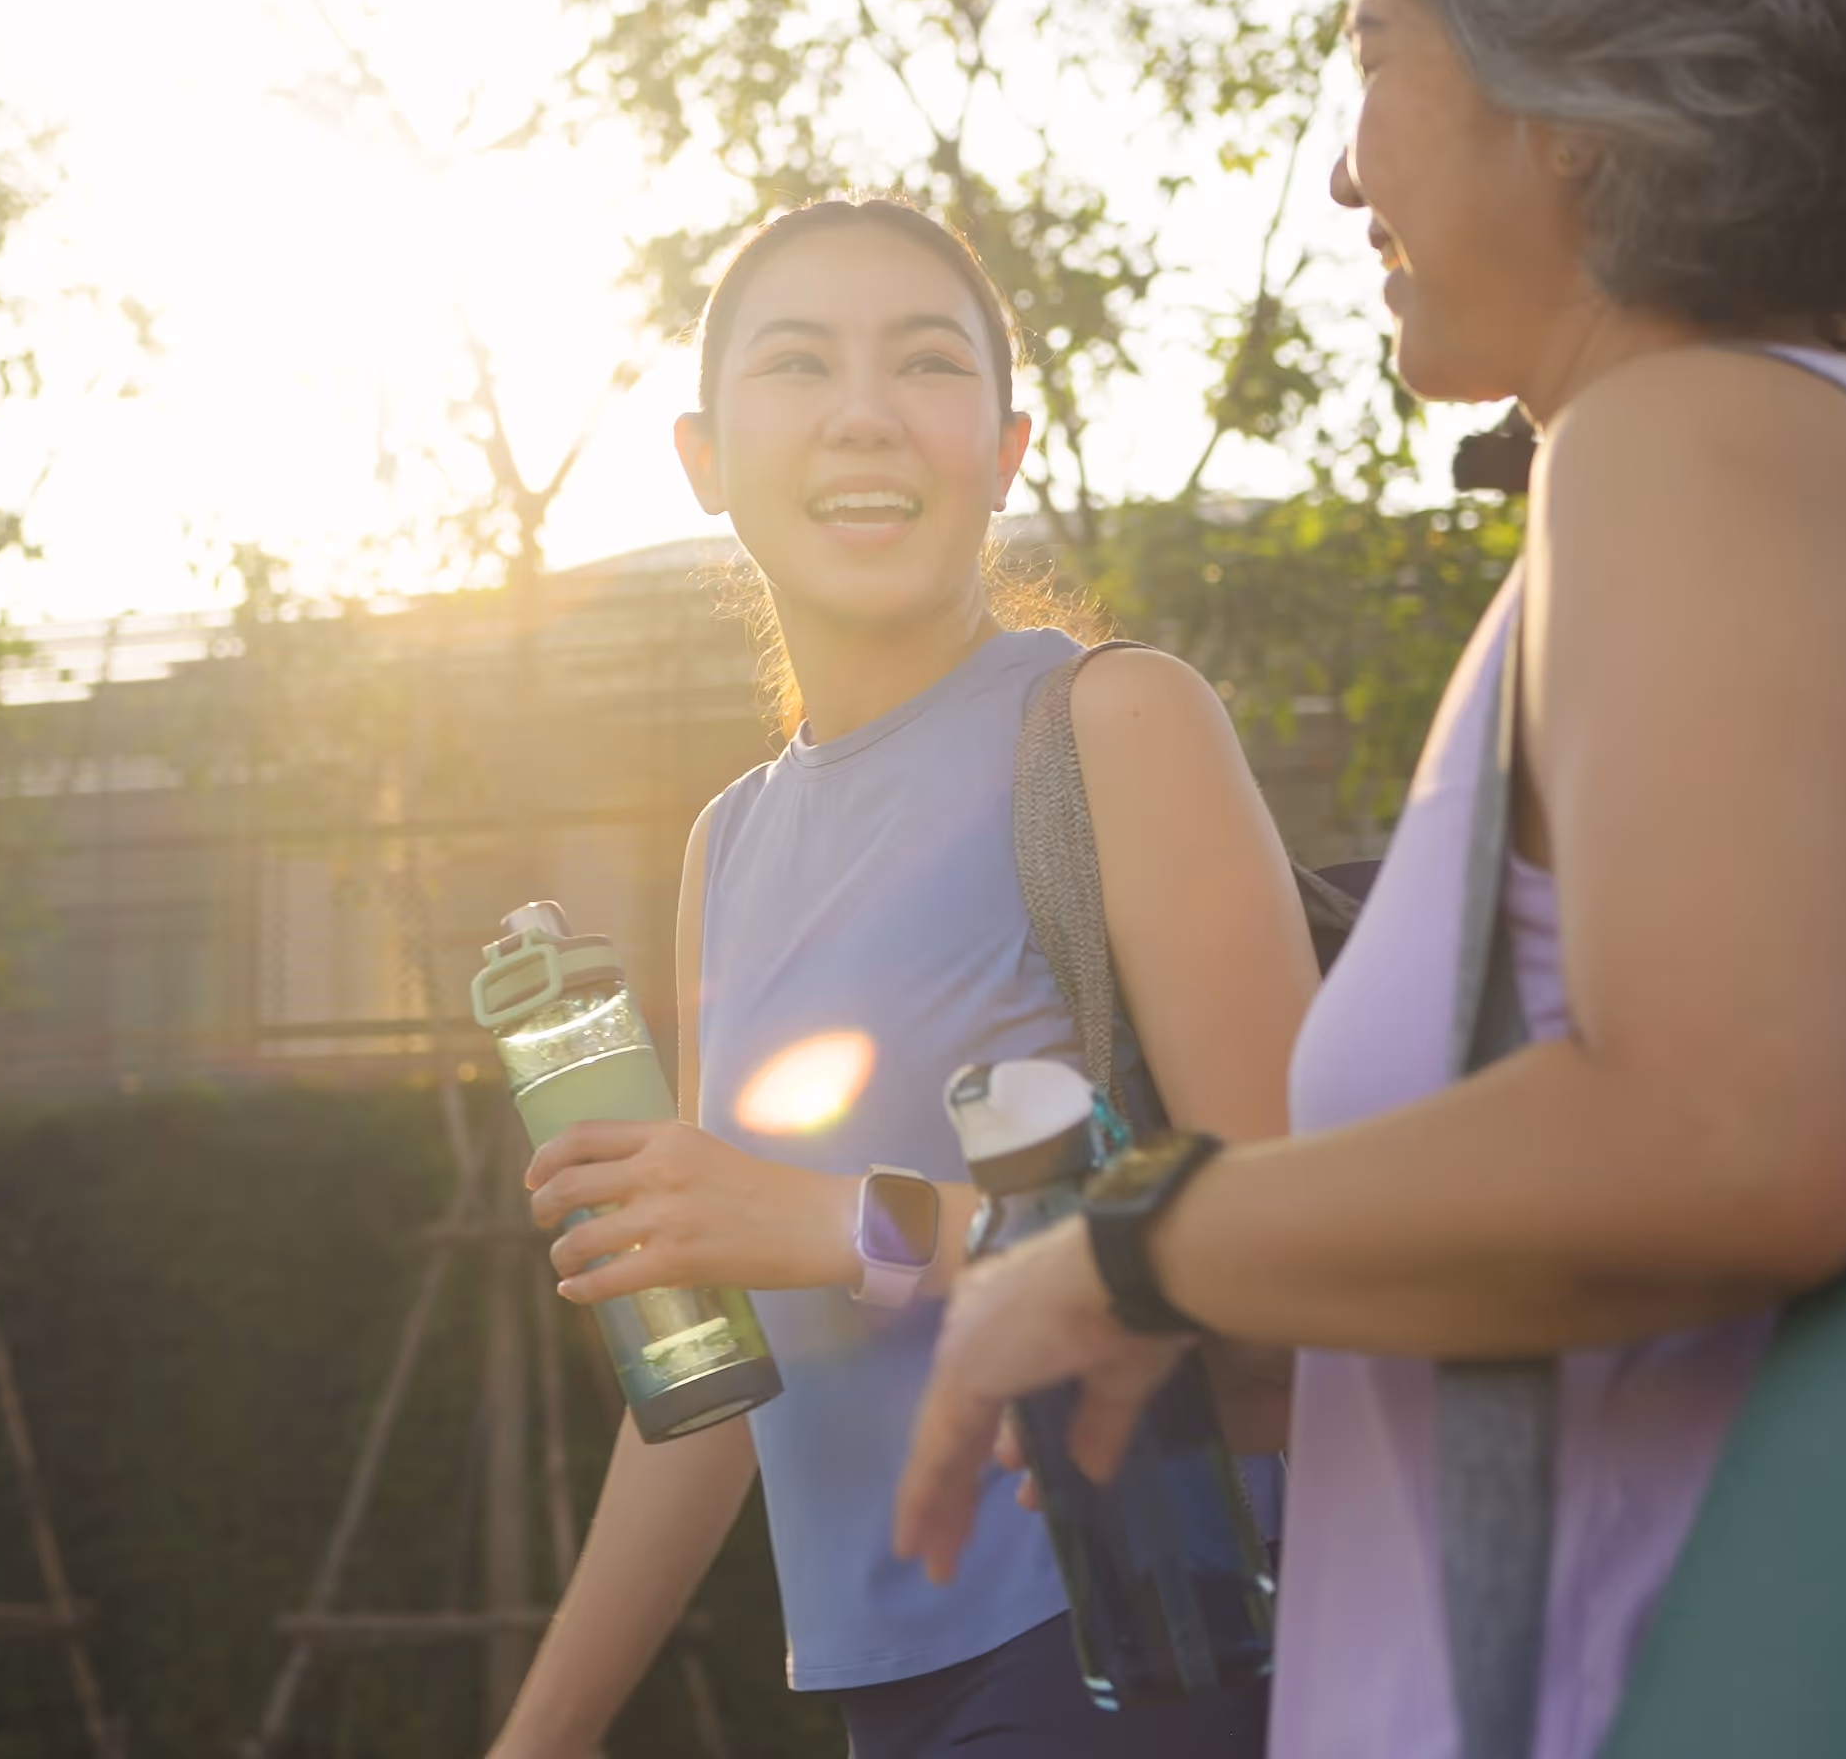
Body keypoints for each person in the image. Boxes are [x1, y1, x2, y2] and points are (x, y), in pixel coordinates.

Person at [891, 0, 1846, 1759]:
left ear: (1570, 96)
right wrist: (1205, 1311)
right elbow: (1609, 1275)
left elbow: (1736, 1140)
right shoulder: (1766, 473)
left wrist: (1132, 1254)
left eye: (1374, 54)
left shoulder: (1687, 448)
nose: (1342, 173)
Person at [482, 196, 1318, 1759]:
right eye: (797, 365)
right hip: (884, 1688)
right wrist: (543, 1734)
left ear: (1002, 452)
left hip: (1139, 1640)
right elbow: (721, 1389)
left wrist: (829, 1223)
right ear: (704, 462)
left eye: (926, 366)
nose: (864, 413)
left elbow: (1297, 1243)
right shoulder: (725, 847)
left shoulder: (1113, 726)